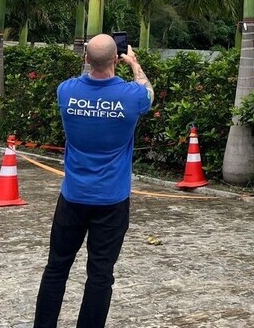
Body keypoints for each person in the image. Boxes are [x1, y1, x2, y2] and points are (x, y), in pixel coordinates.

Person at [34, 34, 153, 327]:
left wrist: (94, 61)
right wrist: (134, 64)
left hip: (73, 196)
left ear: (86, 58)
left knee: (56, 268)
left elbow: (83, 81)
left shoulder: (66, 91)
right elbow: (148, 91)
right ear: (116, 59)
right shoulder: (131, 96)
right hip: (111, 200)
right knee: (100, 274)